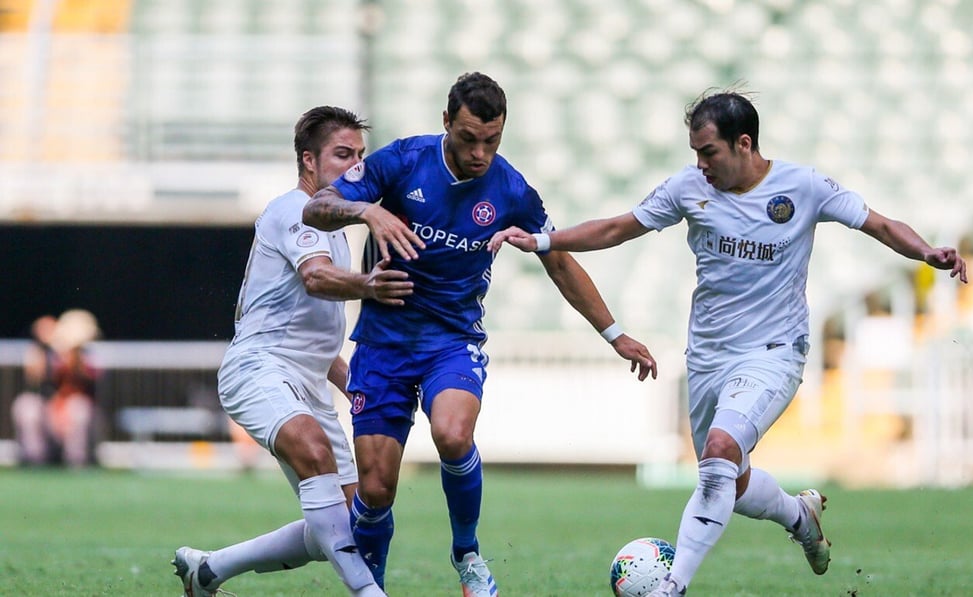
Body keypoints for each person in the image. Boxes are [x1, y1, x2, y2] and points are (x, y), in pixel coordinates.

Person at [487, 89, 968, 595]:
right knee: (730, 483)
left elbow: (880, 224)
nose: (700, 164)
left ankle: (672, 586)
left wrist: (926, 253)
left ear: (744, 144)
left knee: (719, 454)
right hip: (709, 357)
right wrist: (542, 240)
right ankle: (800, 516)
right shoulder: (688, 188)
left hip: (773, 352)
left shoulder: (803, 187)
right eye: (695, 152)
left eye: (708, 152)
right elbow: (616, 228)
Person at [302, 71, 658, 595]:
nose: (480, 153)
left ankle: (467, 552)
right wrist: (367, 209)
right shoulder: (401, 162)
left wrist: (615, 334)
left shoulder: (511, 189)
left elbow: (558, 260)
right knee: (375, 491)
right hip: (383, 341)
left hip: (452, 339)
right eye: (469, 138)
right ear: (446, 122)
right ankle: (371, 586)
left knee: (453, 432)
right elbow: (316, 207)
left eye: (492, 141)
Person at [173, 106, 413, 597]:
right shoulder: (292, 210)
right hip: (257, 367)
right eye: (342, 155)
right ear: (309, 161)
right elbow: (316, 277)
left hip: (305, 381)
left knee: (348, 521)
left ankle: (209, 570)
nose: (355, 167)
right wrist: (369, 285)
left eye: (360, 156)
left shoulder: (339, 234)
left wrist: (365, 389)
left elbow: (318, 344)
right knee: (313, 451)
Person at [11, 310, 101, 468]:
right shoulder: (46, 353)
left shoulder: (89, 357)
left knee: (79, 408)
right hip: (49, 415)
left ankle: (76, 462)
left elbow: (83, 382)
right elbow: (34, 375)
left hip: (74, 417)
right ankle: (34, 460)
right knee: (26, 405)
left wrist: (74, 355)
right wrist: (44, 346)